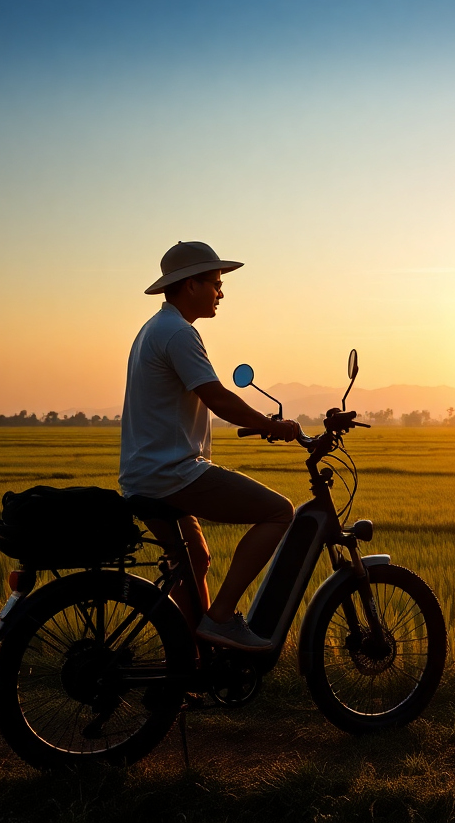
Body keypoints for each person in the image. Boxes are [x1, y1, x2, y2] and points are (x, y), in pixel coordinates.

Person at [118, 240, 299, 651]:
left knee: (193, 561)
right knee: (279, 511)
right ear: (189, 285)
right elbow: (216, 396)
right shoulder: (179, 333)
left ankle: (193, 662)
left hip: (144, 476)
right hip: (173, 475)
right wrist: (271, 426)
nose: (221, 291)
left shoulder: (154, 328)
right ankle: (220, 619)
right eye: (215, 282)